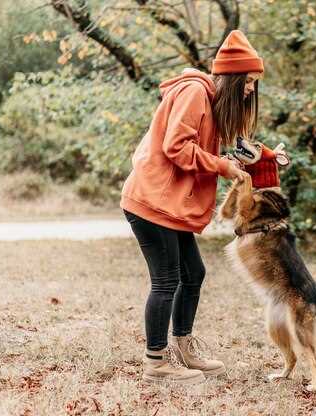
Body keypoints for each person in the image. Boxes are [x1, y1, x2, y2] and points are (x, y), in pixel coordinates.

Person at [120, 30, 263, 386]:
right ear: (232, 77)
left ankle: (183, 347)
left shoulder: (210, 102)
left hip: (168, 206)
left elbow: (199, 151)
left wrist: (235, 161)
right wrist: (220, 166)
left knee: (193, 274)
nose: (250, 90)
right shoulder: (194, 91)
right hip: (151, 202)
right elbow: (176, 147)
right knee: (166, 280)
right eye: (248, 81)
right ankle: (156, 362)